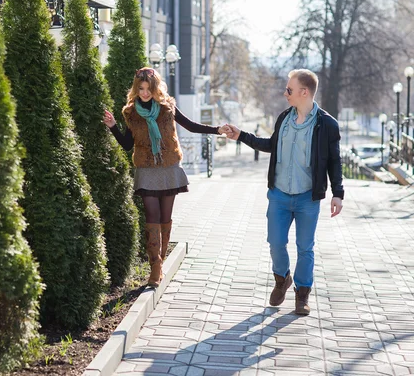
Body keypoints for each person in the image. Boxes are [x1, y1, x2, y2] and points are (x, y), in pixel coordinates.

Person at [224, 69, 344, 316]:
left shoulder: (327, 124)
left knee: (305, 247)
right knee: (276, 243)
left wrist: (337, 193)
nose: (285, 93)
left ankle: (302, 295)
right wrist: (241, 136)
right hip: (279, 194)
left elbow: (334, 161)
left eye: (289, 90)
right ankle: (282, 279)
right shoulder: (284, 119)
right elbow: (270, 144)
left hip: (307, 197)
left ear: (304, 92)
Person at [102, 67, 228, 288]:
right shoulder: (131, 113)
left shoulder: (167, 107)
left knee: (165, 217)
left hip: (168, 166)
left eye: (148, 88)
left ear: (155, 88)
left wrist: (217, 130)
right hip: (146, 170)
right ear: (136, 89)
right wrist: (113, 127)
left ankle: (161, 255)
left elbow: (190, 126)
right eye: (140, 89)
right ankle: (155, 267)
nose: (144, 93)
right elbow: (127, 145)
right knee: (152, 214)